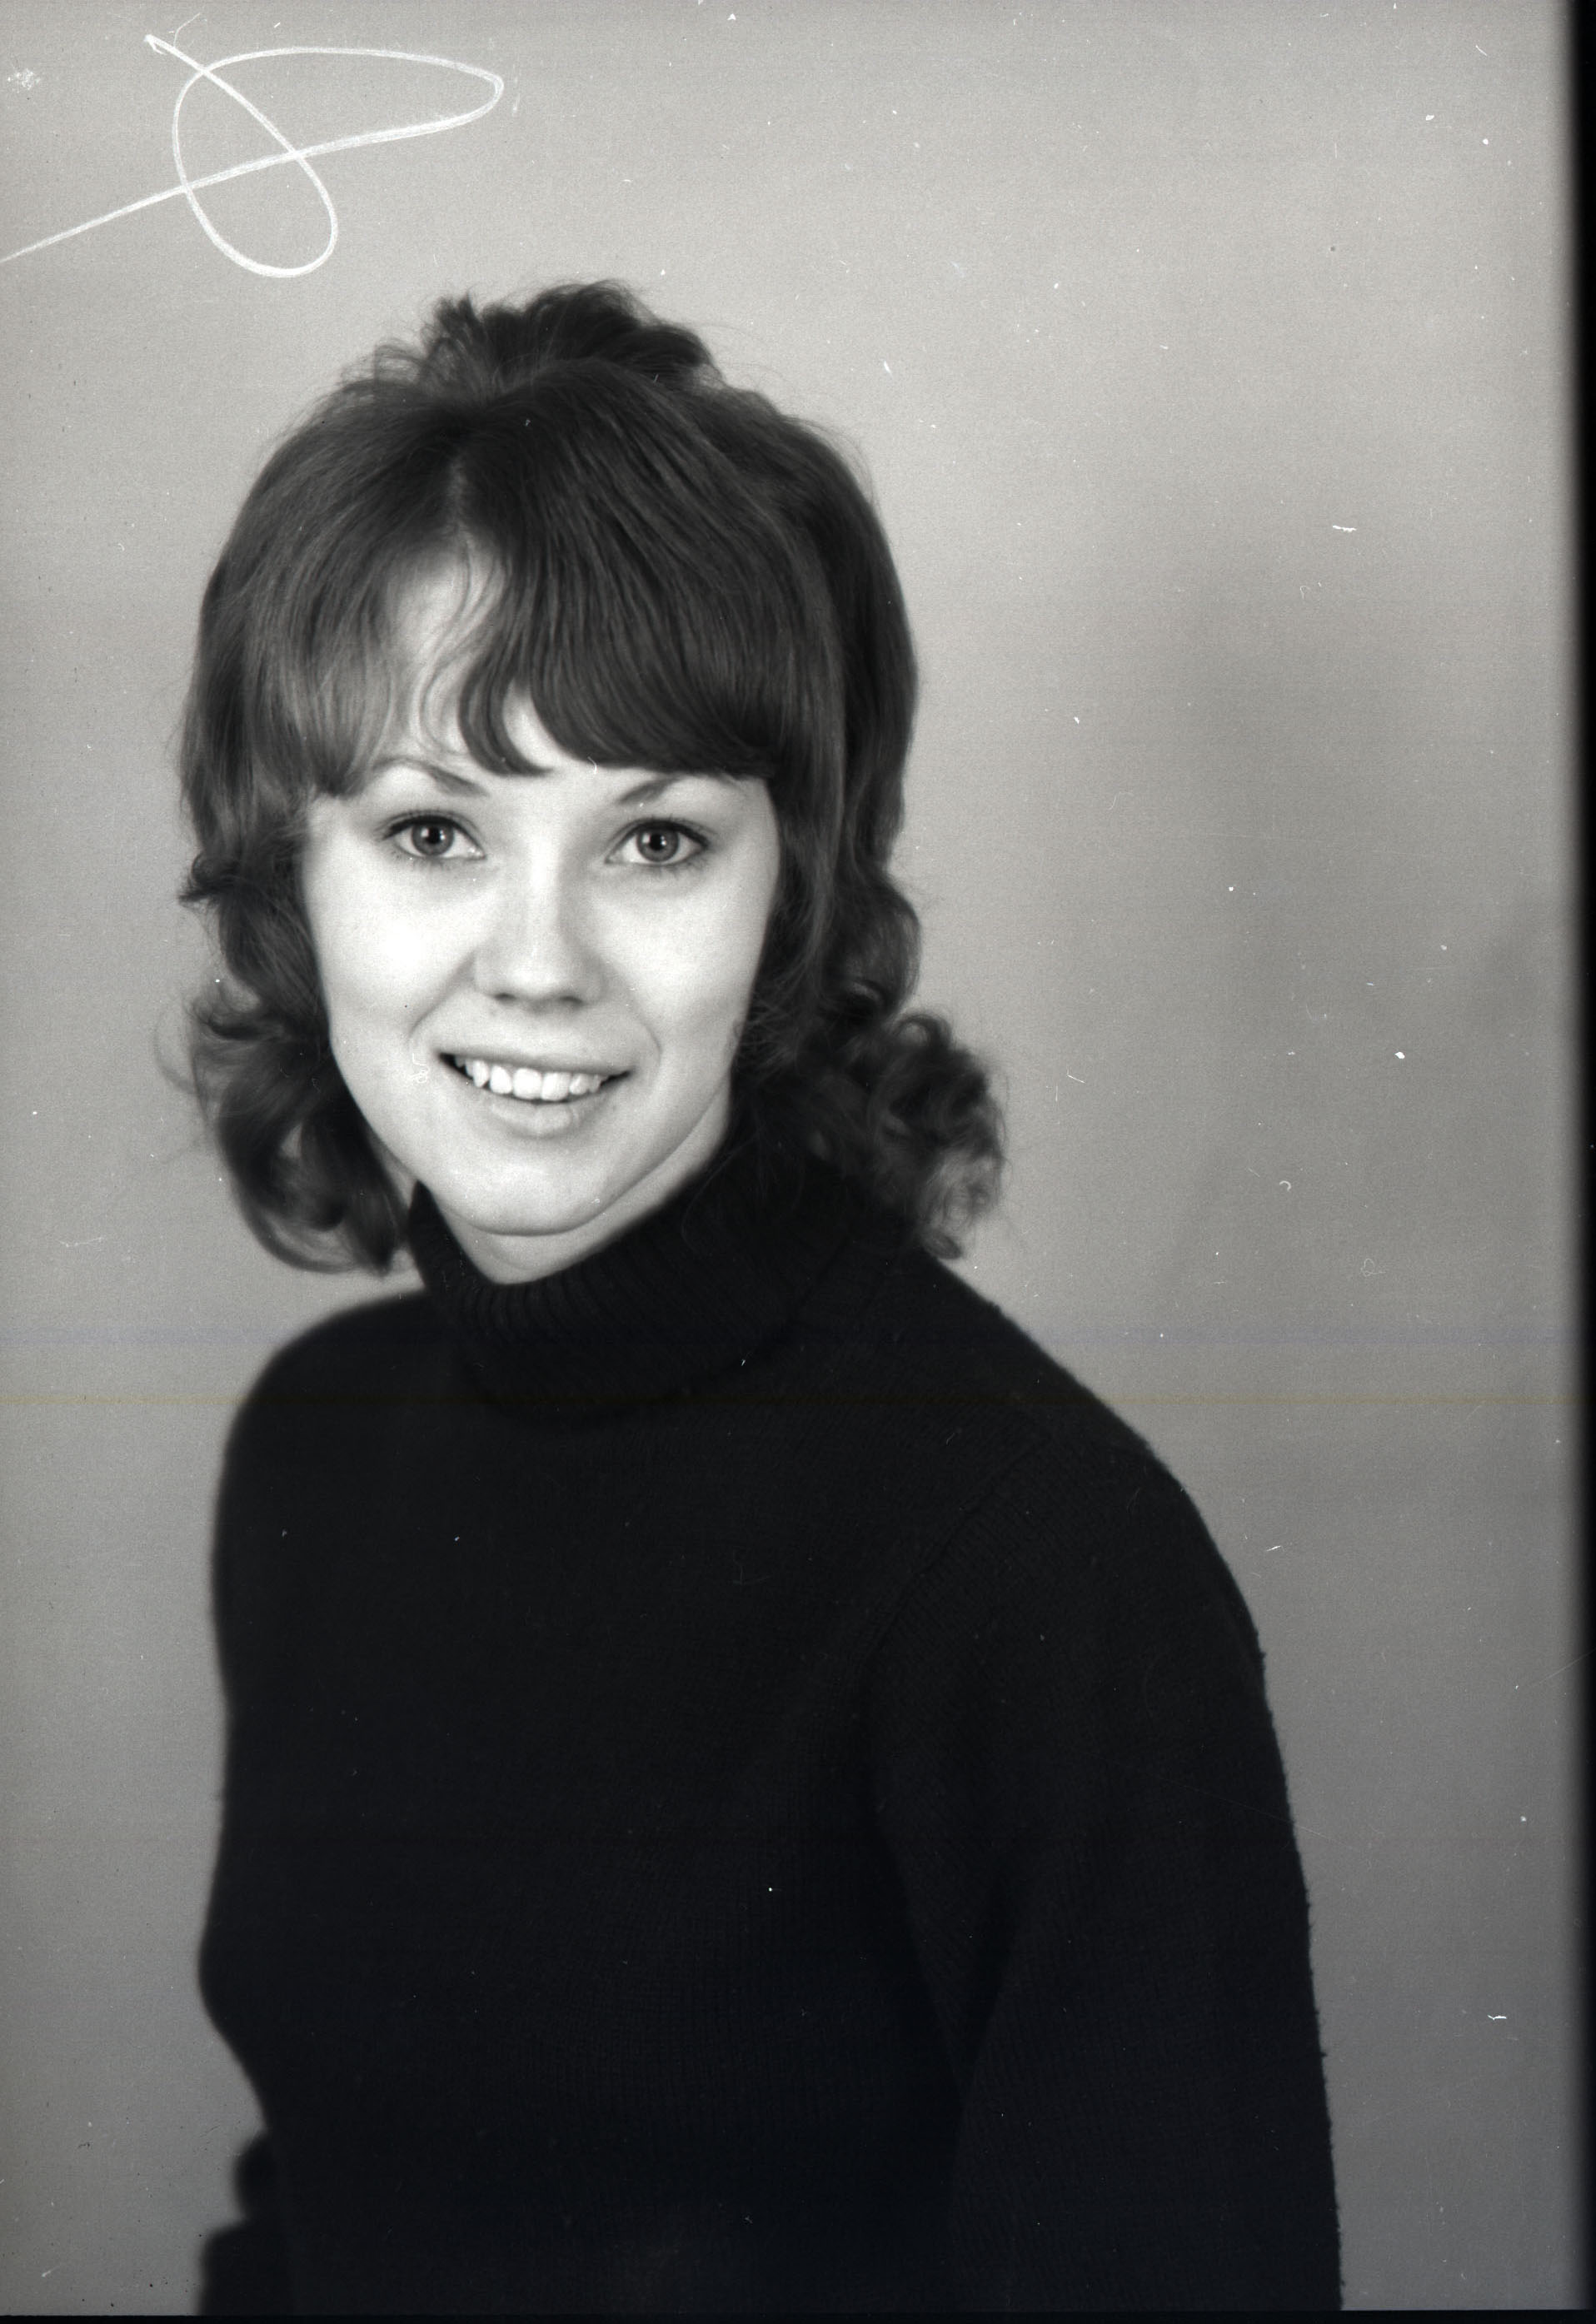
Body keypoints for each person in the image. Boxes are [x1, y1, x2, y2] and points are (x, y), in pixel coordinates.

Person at [177, 282, 1339, 2311]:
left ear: (790, 894)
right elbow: (317, 2227)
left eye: (653, 842)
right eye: (434, 830)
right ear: (292, 880)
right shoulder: (319, 1453)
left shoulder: (1035, 1564)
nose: (537, 963)